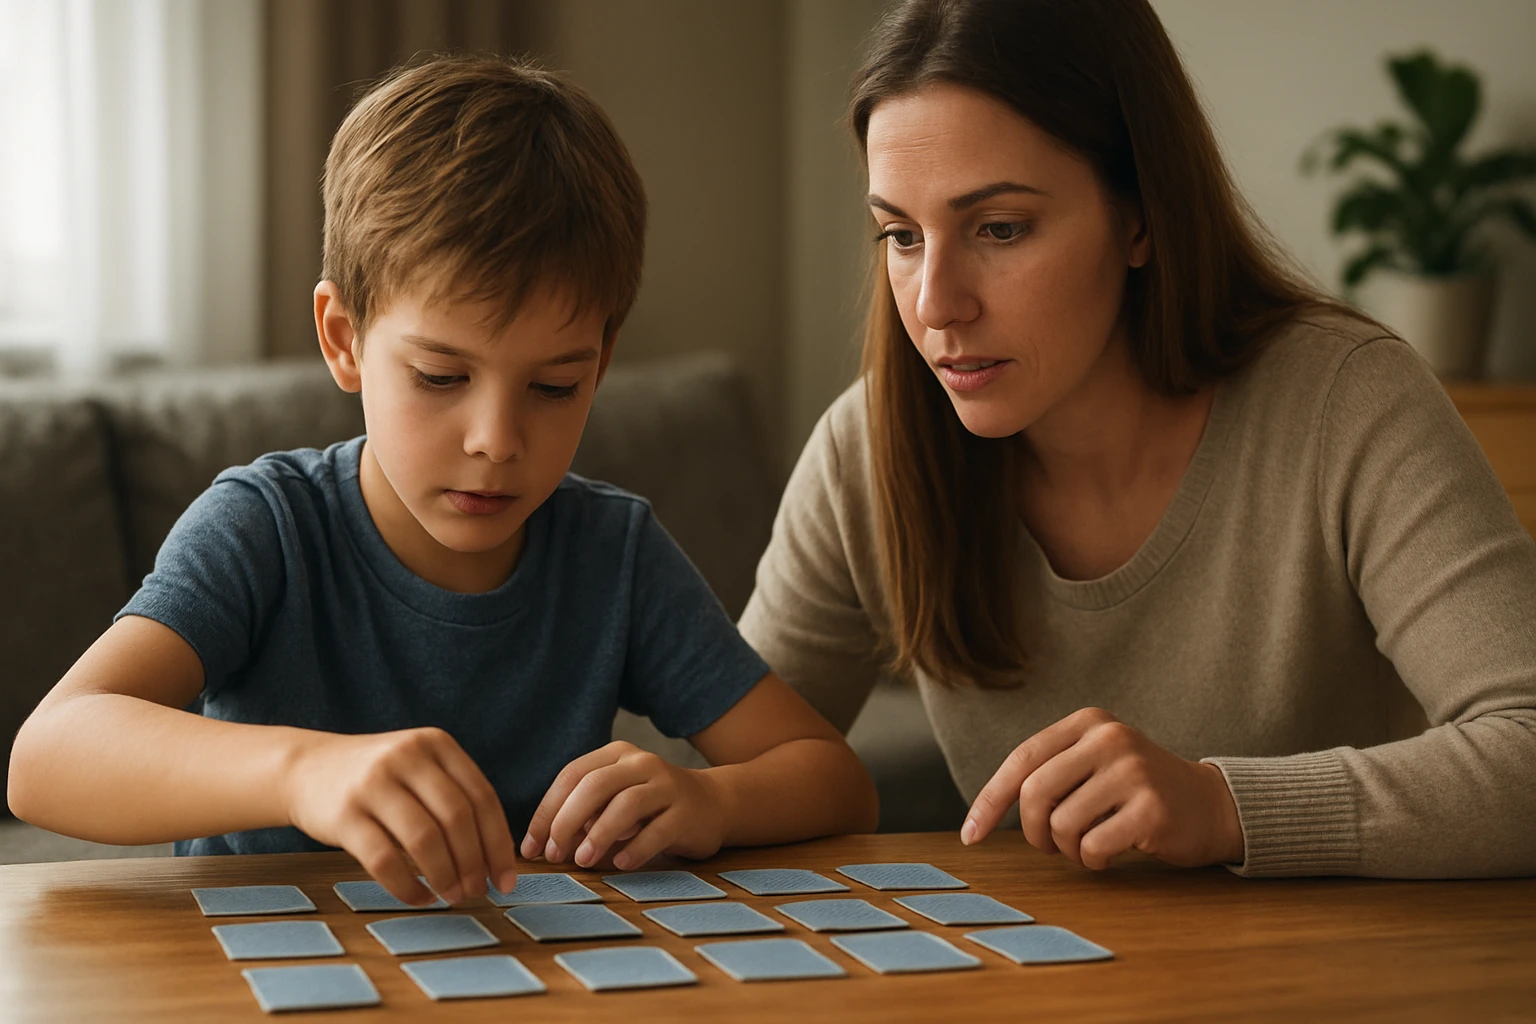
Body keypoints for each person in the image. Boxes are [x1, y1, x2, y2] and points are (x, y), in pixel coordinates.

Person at [8, 56, 877, 905]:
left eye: (553, 387)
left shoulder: (613, 554)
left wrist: (709, 801)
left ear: (602, 361)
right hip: (262, 977)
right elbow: (45, 760)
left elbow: (835, 781)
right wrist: (303, 771)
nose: (497, 441)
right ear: (343, 338)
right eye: (440, 376)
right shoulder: (266, 527)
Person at [739, 0, 1536, 878]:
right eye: (901, 235)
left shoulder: (1345, 401)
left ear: (1140, 216)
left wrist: (1225, 805)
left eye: (999, 228)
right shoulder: (869, 450)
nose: (935, 304)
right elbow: (749, 767)